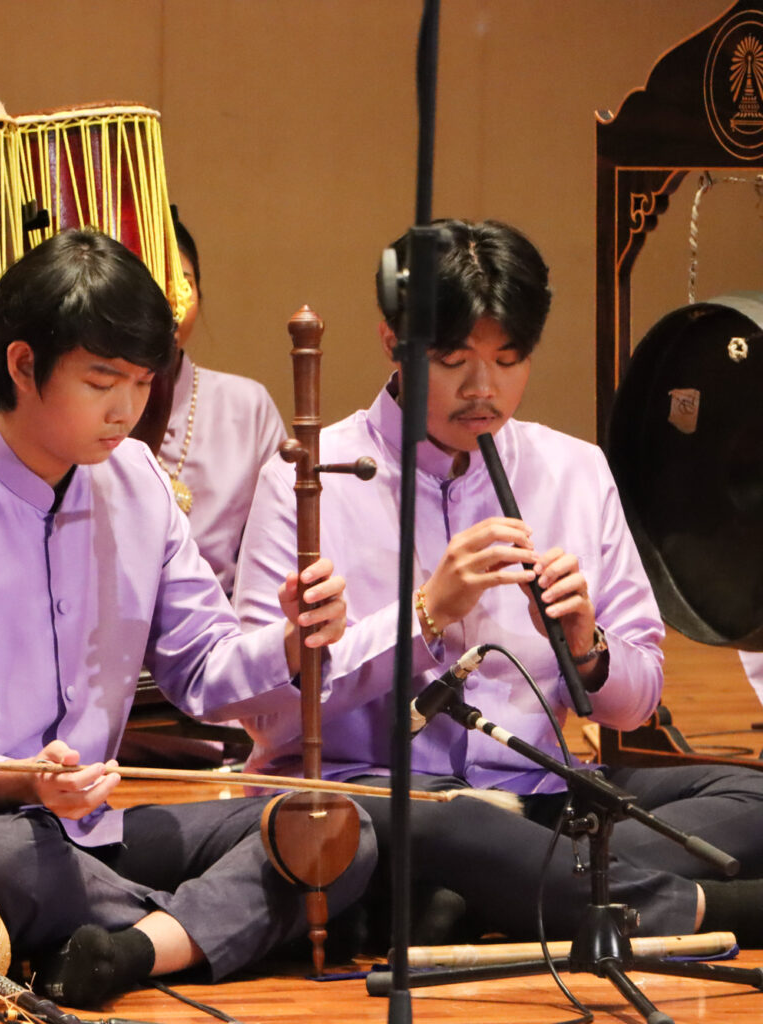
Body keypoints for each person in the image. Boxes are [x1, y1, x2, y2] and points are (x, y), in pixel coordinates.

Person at [0, 228, 376, 1010]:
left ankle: (130, 952)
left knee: (325, 823)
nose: (126, 410)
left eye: (143, 383)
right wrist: (24, 782)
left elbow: (202, 669)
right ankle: (243, 925)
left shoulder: (139, 486)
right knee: (22, 860)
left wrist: (287, 640)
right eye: (102, 380)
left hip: (86, 836)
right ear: (21, 364)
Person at [233, 218, 763, 946]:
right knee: (441, 824)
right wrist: (424, 616)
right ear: (394, 342)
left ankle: (487, 900)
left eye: (510, 360)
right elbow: (263, 714)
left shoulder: (573, 471)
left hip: (536, 798)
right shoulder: (311, 480)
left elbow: (636, 703)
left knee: (752, 793)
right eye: (453, 360)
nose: (484, 389)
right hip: (381, 800)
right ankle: (682, 907)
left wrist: (588, 647)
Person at [154, 218, 286, 595]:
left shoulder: (247, 407)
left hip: (227, 634)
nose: (169, 303)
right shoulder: (90, 408)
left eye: (184, 283)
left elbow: (277, 554)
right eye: (150, 285)